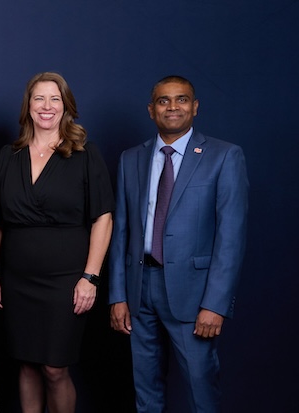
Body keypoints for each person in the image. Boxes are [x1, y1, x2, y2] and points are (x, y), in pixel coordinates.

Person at [109, 76, 248, 413]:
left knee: (202, 391)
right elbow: (121, 232)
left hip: (195, 295)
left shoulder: (224, 156)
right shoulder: (131, 159)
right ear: (151, 110)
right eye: (163, 100)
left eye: (181, 99)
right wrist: (118, 295)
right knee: (146, 391)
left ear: (195, 107)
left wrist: (215, 304)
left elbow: (231, 238)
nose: (172, 107)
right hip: (140, 290)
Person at [0, 72, 113, 413]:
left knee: (55, 369)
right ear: (28, 106)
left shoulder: (85, 154)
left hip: (66, 280)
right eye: (39, 98)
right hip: (17, 280)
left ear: (66, 106)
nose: (47, 106)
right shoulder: (8, 155)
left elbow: (103, 218)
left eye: (55, 99)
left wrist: (90, 277)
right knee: (27, 364)